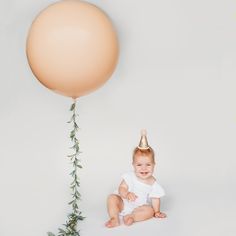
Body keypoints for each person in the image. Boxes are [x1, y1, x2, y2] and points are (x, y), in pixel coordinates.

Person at [105, 130, 167, 228]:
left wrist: (157, 211)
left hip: (139, 207)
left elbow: (155, 198)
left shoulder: (153, 183)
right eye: (139, 165)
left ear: (154, 165)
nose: (144, 168)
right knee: (111, 198)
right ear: (133, 165)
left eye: (148, 164)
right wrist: (126, 194)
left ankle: (132, 217)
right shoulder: (130, 176)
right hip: (123, 202)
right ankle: (114, 218)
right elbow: (122, 188)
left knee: (149, 211)